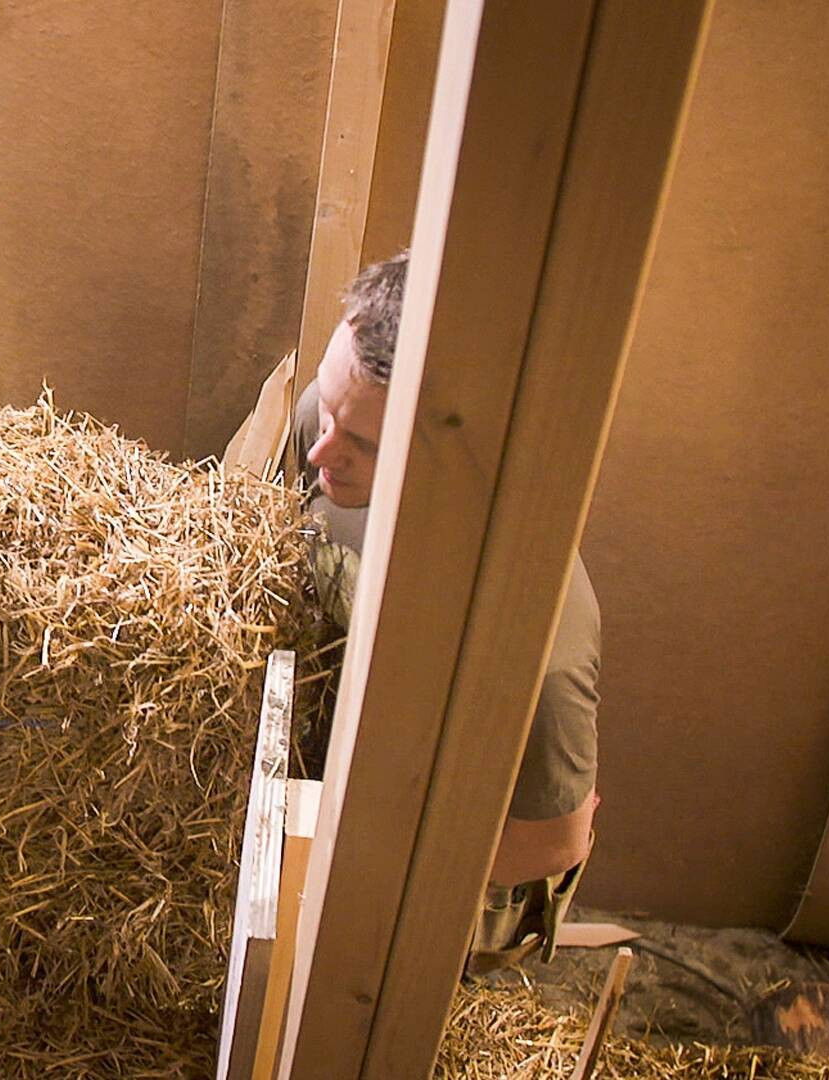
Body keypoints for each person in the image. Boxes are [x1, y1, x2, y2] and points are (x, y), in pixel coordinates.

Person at [286, 251, 601, 973]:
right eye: (329, 406)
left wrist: (361, 849)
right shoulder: (334, 428)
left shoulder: (534, 642)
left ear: (452, 454)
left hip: (446, 859)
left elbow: (549, 844)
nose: (320, 453)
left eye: (361, 443)